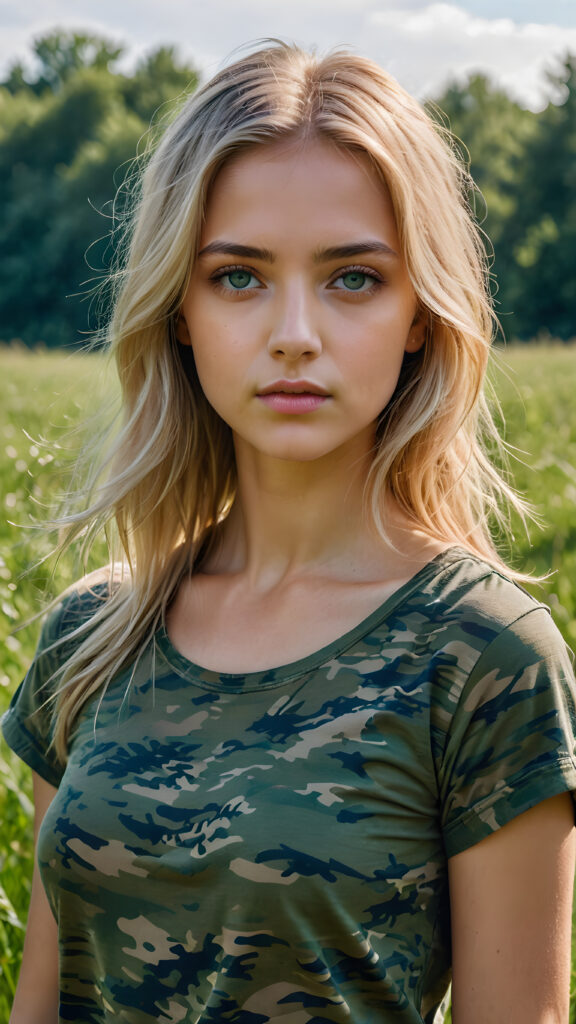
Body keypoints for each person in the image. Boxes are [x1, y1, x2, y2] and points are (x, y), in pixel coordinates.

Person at [2, 41, 576, 1024]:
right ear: (178, 307)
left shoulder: (485, 659)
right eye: (239, 277)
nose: (295, 332)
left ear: (419, 315)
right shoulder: (93, 636)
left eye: (353, 278)